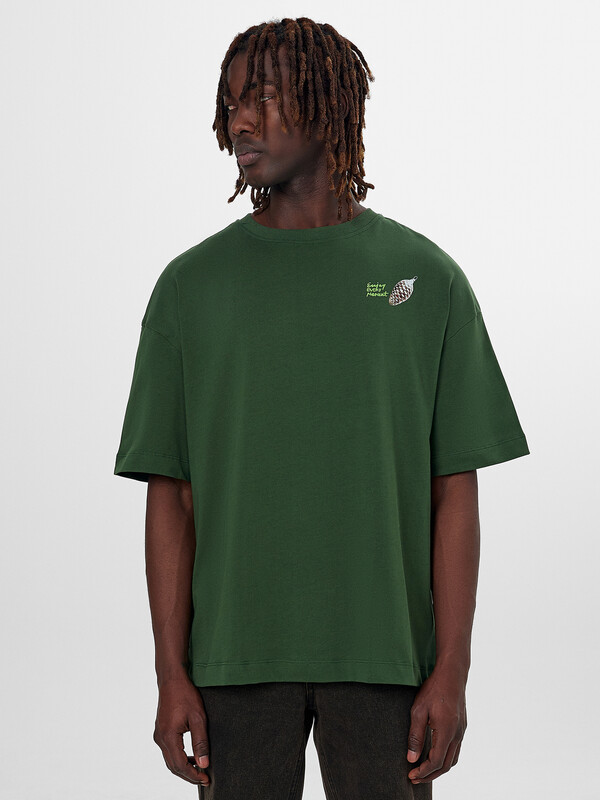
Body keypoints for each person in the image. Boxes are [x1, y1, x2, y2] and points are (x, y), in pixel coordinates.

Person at [114, 17, 530, 799]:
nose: (241, 120)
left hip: (387, 662)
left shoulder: (425, 278)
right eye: (232, 103)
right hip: (232, 663)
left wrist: (452, 670)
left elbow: (454, 492)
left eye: (265, 97)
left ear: (329, 104)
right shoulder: (190, 288)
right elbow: (171, 494)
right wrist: (170, 673)